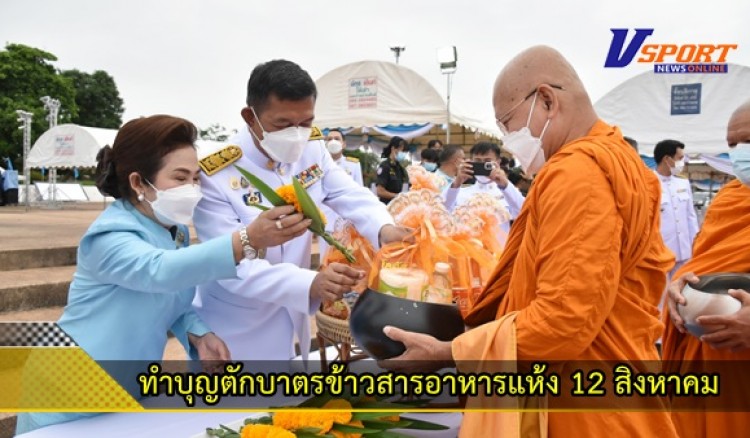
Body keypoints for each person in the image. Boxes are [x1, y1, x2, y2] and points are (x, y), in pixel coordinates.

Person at [381, 46, 678, 437]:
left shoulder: (580, 173)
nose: (508, 141)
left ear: (547, 100)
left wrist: (449, 353)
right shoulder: (620, 158)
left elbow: (562, 322)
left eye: (508, 124)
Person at [15, 115, 310, 434]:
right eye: (180, 178)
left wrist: (198, 332)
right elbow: (159, 272)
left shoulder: (173, 231)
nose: (193, 189)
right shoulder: (108, 237)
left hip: (127, 390)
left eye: (196, 179)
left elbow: (172, 298)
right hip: (68, 394)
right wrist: (246, 239)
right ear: (138, 182)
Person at [192, 60, 409, 360]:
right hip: (236, 324)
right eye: (282, 125)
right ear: (249, 117)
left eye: (305, 123)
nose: (296, 134)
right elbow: (230, 263)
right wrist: (312, 283)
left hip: (289, 313)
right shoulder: (215, 173)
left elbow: (345, 191)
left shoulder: (312, 148)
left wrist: (384, 228)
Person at [663, 100, 750, 438]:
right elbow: (706, 263)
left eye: (749, 141)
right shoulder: (729, 200)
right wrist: (680, 286)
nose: (741, 152)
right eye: (733, 145)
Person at [453, 141, 526, 234]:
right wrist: (457, 182)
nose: (482, 165)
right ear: (471, 161)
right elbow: (443, 209)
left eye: (487, 162)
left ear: (498, 162)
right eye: (478, 161)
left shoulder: (508, 192)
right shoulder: (461, 192)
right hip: (469, 245)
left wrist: (505, 184)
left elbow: (523, 209)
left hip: (500, 246)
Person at [654, 139, 699, 281]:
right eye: (680, 158)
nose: (683, 162)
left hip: (684, 251)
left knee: (682, 294)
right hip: (660, 253)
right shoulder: (648, 182)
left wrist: (695, 246)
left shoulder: (683, 183)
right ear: (667, 159)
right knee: (660, 298)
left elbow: (691, 217)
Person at [319, 128, 363, 259]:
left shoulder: (353, 164)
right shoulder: (317, 166)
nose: (333, 141)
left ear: (344, 144)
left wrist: (356, 223)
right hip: (325, 223)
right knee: (325, 260)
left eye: (337, 139)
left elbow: (358, 195)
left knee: (346, 260)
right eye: (329, 139)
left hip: (346, 223)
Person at [436, 144, 474, 210]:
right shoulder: (435, 181)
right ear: (457, 161)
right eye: (463, 159)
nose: (465, 162)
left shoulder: (457, 179)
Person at [375, 136, 409, 204]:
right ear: (393, 148)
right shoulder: (385, 166)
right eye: (401, 150)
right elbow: (380, 191)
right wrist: (397, 196)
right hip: (386, 206)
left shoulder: (400, 168)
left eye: (404, 151)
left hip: (398, 206)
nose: (403, 153)